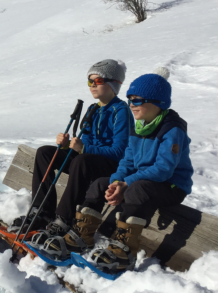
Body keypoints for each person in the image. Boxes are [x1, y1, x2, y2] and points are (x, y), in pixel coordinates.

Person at [45, 67, 194, 272]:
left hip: (171, 186)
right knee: (100, 184)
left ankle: (124, 250)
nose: (132, 104)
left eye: (138, 100)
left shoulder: (172, 130)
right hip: (140, 182)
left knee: (136, 189)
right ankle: (82, 235)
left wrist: (126, 183)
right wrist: (116, 181)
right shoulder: (139, 127)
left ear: (158, 102)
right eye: (130, 99)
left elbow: (163, 169)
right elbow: (127, 161)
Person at [8, 59, 133, 242]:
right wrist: (68, 146)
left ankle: (65, 218)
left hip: (110, 165)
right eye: (90, 81)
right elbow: (86, 144)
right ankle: (42, 211)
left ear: (113, 83)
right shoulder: (93, 109)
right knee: (45, 153)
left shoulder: (121, 111)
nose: (92, 86)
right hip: (88, 160)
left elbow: (120, 152)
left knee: (82, 161)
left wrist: (83, 148)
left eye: (98, 81)